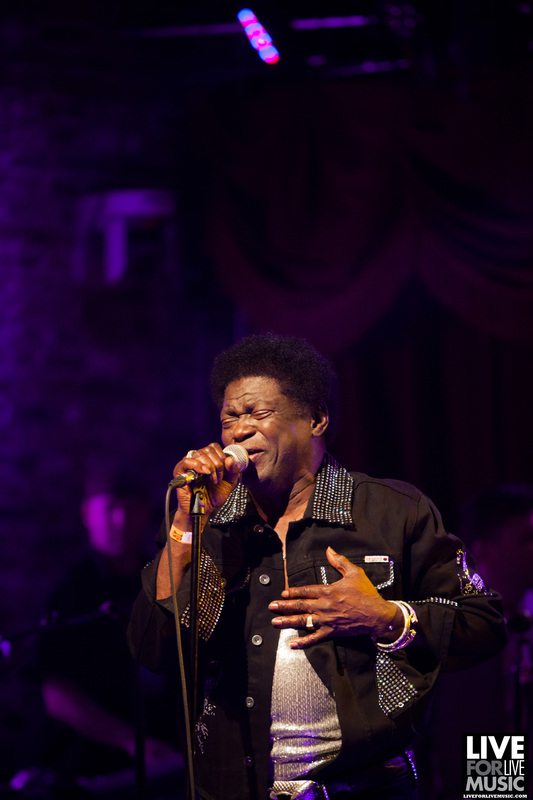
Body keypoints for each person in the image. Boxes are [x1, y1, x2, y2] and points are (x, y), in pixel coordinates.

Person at [128, 333, 506, 800]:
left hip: (367, 788)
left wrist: (386, 617)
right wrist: (187, 524)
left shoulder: (392, 511)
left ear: (316, 419)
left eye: (257, 414)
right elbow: (151, 650)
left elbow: (484, 623)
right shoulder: (211, 523)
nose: (239, 432)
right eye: (230, 418)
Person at [33, 467, 183, 798]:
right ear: (88, 515)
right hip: (85, 767)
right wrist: (129, 740)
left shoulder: (160, 578)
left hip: (163, 760)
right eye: (110, 509)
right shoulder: (71, 591)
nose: (120, 521)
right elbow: (57, 694)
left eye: (130, 509)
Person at [428, 485, 533, 800]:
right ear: (485, 550)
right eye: (527, 540)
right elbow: (477, 726)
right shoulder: (459, 627)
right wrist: (498, 789)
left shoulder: (523, 614)